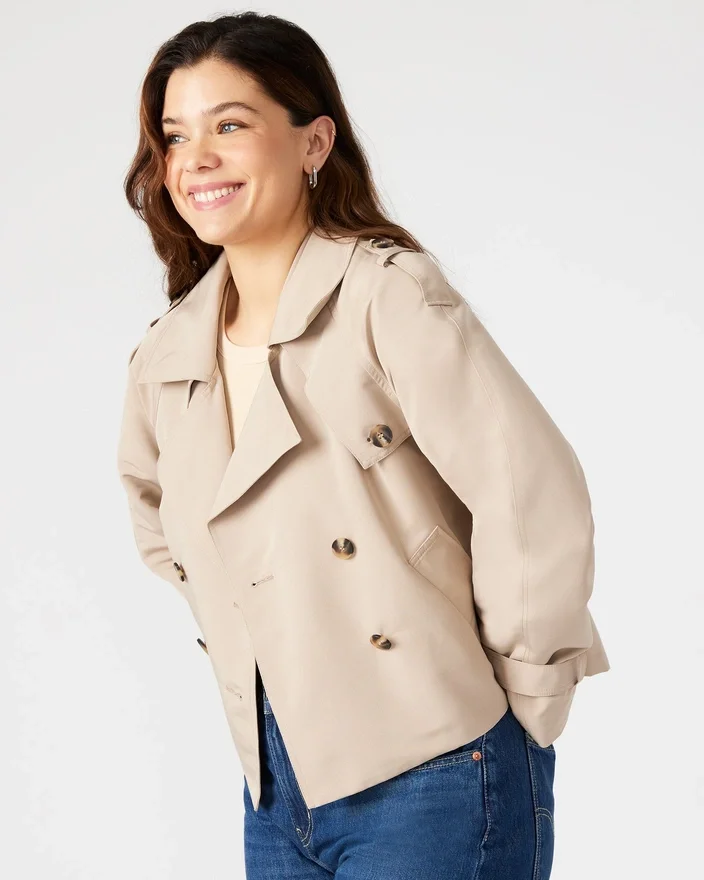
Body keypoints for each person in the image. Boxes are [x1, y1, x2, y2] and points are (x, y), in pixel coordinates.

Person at [117, 11, 610, 879]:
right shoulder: (169, 352)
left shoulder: (386, 295)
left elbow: (527, 490)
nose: (195, 160)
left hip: (438, 763)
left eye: (230, 125)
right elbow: (165, 533)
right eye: (176, 135)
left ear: (314, 142)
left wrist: (527, 699)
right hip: (276, 785)